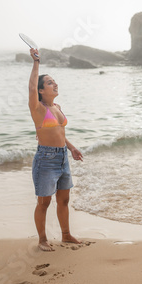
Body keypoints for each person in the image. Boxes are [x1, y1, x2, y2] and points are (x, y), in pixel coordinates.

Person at [28, 48, 83, 251]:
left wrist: (72, 148)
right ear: (41, 90)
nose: (55, 84)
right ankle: (42, 240)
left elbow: (60, 132)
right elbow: (31, 87)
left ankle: (66, 235)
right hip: (46, 160)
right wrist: (36, 63)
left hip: (62, 158)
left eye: (54, 81)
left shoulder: (57, 107)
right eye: (50, 82)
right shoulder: (38, 108)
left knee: (64, 199)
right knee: (43, 203)